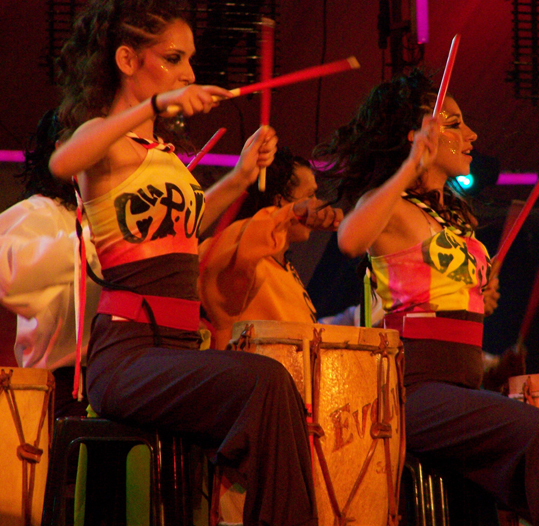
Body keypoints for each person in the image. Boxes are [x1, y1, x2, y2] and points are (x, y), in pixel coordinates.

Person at [48, 1, 316, 524]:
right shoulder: (103, 142)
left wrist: (239, 178)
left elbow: (186, 232)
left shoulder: (159, 153)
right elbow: (64, 162)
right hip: (127, 355)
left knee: (276, 382)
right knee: (265, 383)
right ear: (127, 60)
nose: (189, 73)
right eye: (174, 58)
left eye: (188, 61)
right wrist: (154, 106)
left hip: (174, 349)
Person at [314, 69, 539, 526]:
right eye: (454, 124)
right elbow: (349, 239)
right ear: (417, 136)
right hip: (412, 389)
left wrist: (473, 300)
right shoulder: (394, 207)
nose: (472, 134)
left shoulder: (453, 219)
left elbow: (434, 300)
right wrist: (410, 165)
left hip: (460, 385)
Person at [0, 109, 100, 418]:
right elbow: (11, 276)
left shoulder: (103, 215)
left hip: (116, 376)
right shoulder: (36, 213)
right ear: (64, 148)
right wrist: (101, 234)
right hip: (62, 387)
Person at [198, 147, 343, 348]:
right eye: (310, 196)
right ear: (279, 200)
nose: (316, 204)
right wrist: (292, 212)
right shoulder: (244, 257)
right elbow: (244, 237)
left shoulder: (283, 267)